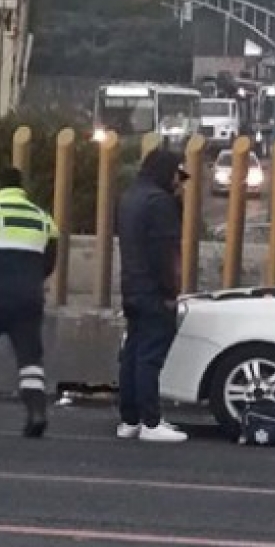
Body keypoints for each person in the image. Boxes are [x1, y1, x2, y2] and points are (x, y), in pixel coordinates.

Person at [116, 149, 190, 443]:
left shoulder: (130, 197)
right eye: (177, 176)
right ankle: (150, 421)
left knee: (132, 354)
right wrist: (170, 291)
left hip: (131, 286)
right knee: (149, 357)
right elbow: (165, 253)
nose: (179, 183)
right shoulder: (160, 203)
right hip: (154, 291)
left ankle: (130, 419)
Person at [0, 166, 58, 438]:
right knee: (30, 359)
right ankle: (37, 412)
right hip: (28, 298)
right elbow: (49, 262)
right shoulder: (43, 218)